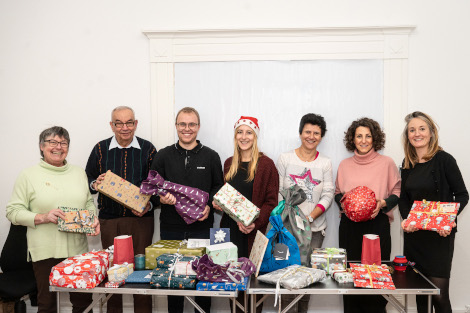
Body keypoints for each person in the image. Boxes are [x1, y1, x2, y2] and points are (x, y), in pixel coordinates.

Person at [6, 126, 100, 313]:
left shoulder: (78, 173)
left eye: (63, 143)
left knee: (83, 303)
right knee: (47, 304)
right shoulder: (28, 175)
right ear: (42, 146)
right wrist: (43, 217)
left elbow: (88, 202)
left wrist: (93, 220)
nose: (58, 147)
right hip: (44, 250)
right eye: (52, 142)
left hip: (77, 250)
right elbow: (13, 211)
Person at [150, 107, 224, 313]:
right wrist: (161, 198)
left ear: (198, 127)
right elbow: (151, 188)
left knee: (203, 282)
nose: (187, 129)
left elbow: (218, 187)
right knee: (173, 281)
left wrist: (209, 205)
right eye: (182, 124)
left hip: (202, 228)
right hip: (171, 229)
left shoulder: (211, 156)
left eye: (192, 124)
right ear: (176, 126)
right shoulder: (163, 155)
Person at [85, 106, 157, 313]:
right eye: (119, 123)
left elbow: (159, 186)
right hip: (109, 221)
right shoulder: (100, 149)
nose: (124, 128)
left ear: (136, 124)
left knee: (141, 273)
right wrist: (94, 184)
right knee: (113, 274)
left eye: (129, 122)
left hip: (141, 221)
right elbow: (88, 178)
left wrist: (150, 205)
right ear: (112, 125)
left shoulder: (149, 149)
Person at [399, 111, 468, 313]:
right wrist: (406, 221)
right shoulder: (407, 164)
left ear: (431, 133)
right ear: (407, 135)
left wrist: (448, 220)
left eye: (422, 129)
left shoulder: (445, 160)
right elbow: (404, 199)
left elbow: (462, 195)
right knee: (420, 294)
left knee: (439, 296)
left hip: (439, 237)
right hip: (415, 237)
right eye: (412, 130)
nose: (417, 133)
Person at [213, 116, 279, 313]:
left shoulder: (266, 165)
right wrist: (218, 203)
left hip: (253, 232)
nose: (244, 137)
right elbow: (226, 198)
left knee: (253, 285)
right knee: (231, 282)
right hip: (229, 233)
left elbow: (271, 202)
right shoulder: (228, 163)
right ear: (235, 136)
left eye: (248, 132)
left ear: (255, 136)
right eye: (240, 132)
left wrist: (255, 223)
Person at [334, 117, 401, 313]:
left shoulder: (387, 163)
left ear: (375, 139)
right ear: (352, 139)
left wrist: (382, 203)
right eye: (359, 136)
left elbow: (396, 193)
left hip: (377, 225)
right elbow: (338, 192)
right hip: (349, 227)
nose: (363, 140)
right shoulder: (344, 165)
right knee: (350, 277)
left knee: (376, 278)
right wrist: (345, 202)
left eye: (368, 136)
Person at [276, 113, 334, 313]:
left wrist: (310, 217)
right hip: (285, 230)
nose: (311, 136)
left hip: (314, 230)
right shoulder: (285, 159)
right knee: (284, 273)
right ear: (300, 133)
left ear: (321, 136)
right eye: (307, 131)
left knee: (307, 275)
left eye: (316, 133)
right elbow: (278, 193)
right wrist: (289, 219)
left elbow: (328, 194)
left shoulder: (325, 163)